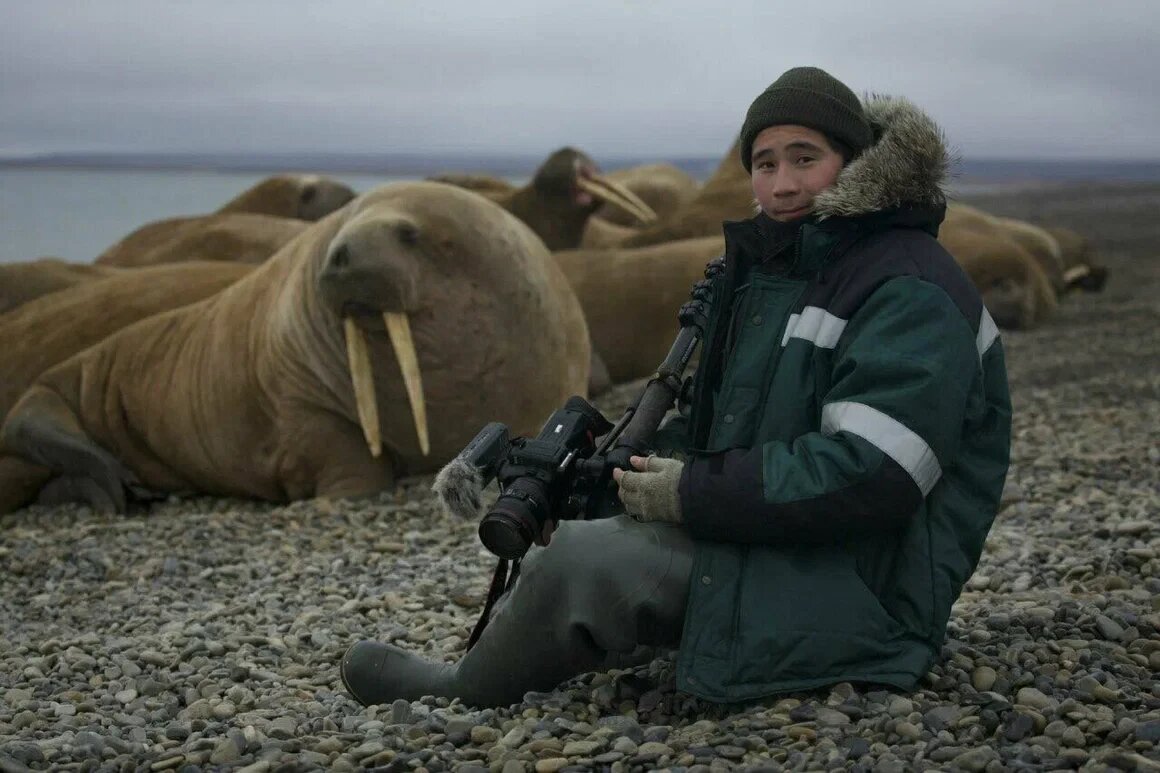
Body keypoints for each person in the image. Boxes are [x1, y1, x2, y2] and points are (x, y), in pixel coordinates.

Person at [340, 66, 1012, 708]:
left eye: (805, 158)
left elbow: (875, 476)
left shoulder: (907, 290)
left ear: (856, 160)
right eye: (765, 163)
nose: (781, 185)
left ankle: (465, 687)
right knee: (586, 521)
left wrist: (686, 493)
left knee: (582, 560)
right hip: (799, 546)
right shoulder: (785, 278)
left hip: (870, 589)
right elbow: (727, 435)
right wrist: (602, 478)